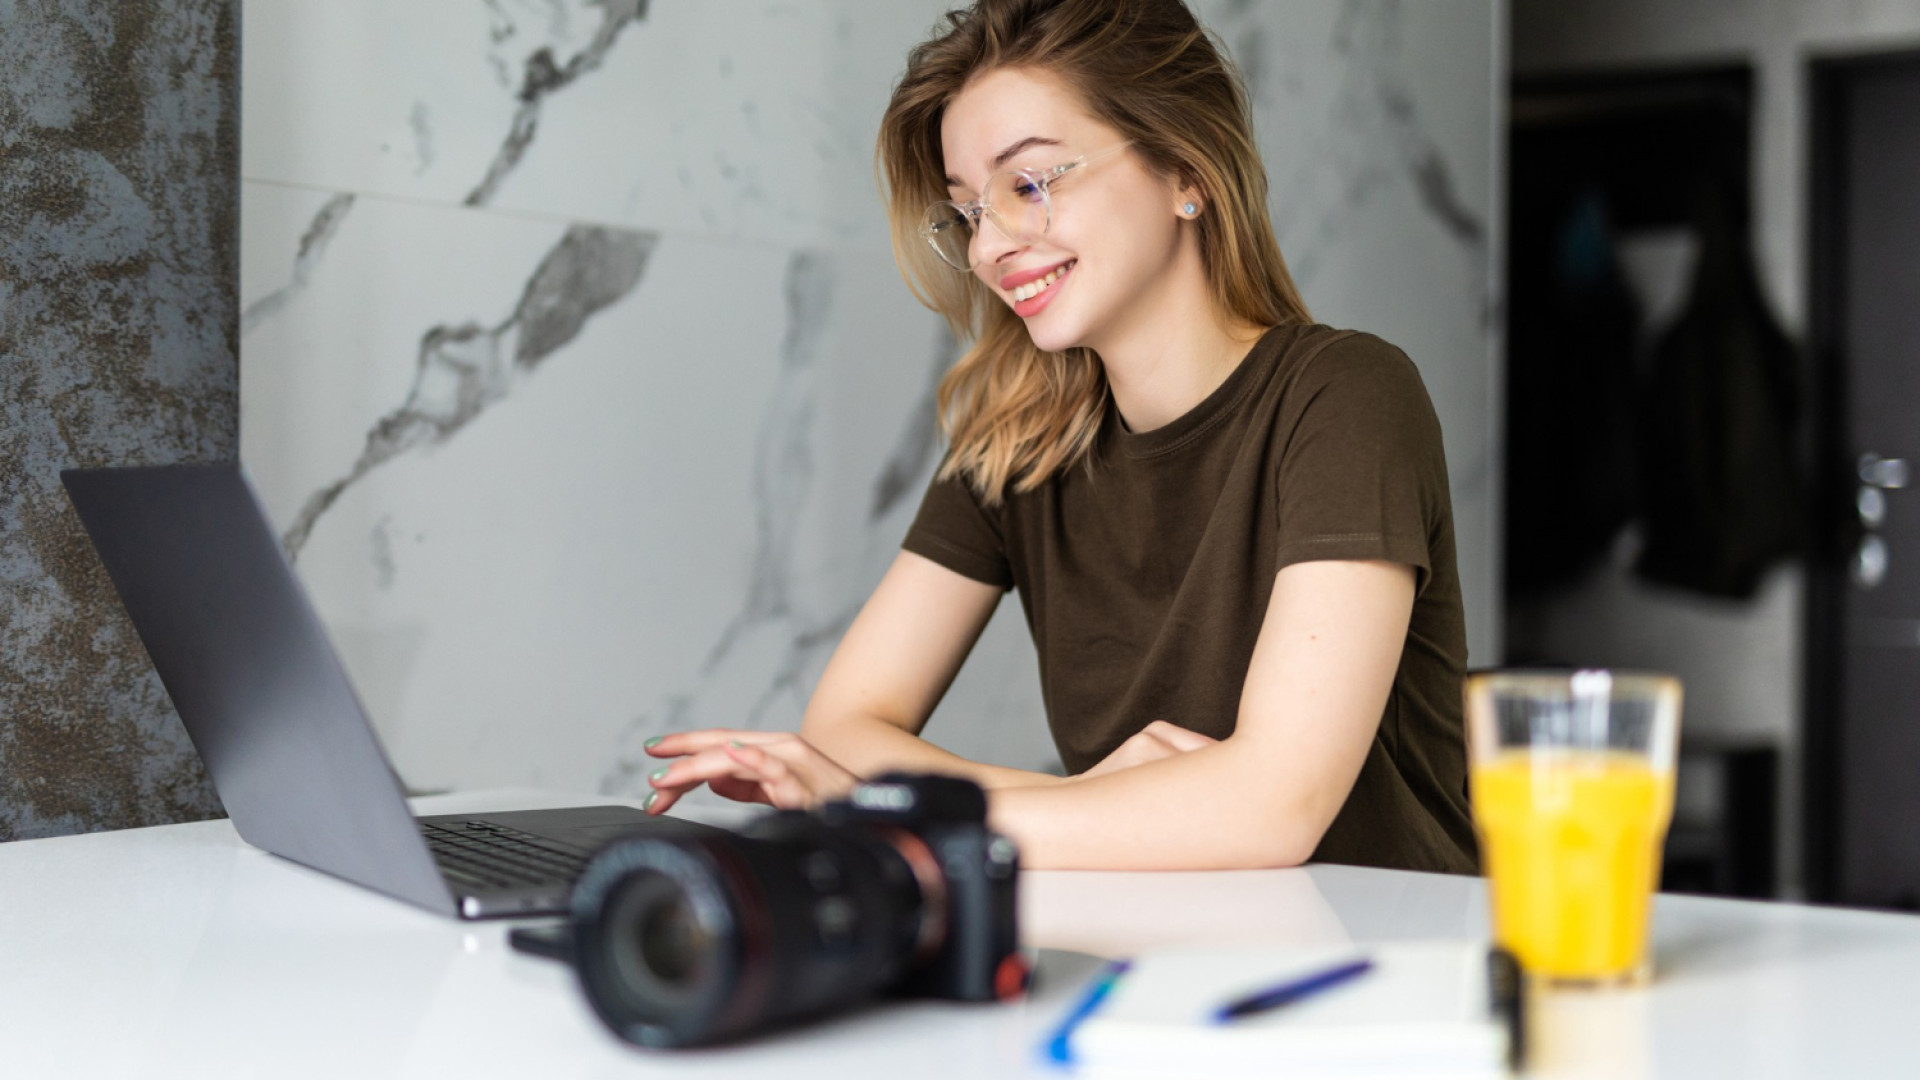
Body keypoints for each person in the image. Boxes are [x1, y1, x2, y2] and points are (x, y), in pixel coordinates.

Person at [641, 0, 1477, 874]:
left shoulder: (1346, 396)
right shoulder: (1018, 439)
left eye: (1030, 183)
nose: (987, 248)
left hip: (1389, 968)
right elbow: (844, 728)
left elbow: (1274, 810)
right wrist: (1093, 806)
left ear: (1185, 170)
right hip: (1157, 955)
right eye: (966, 211)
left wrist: (908, 816)